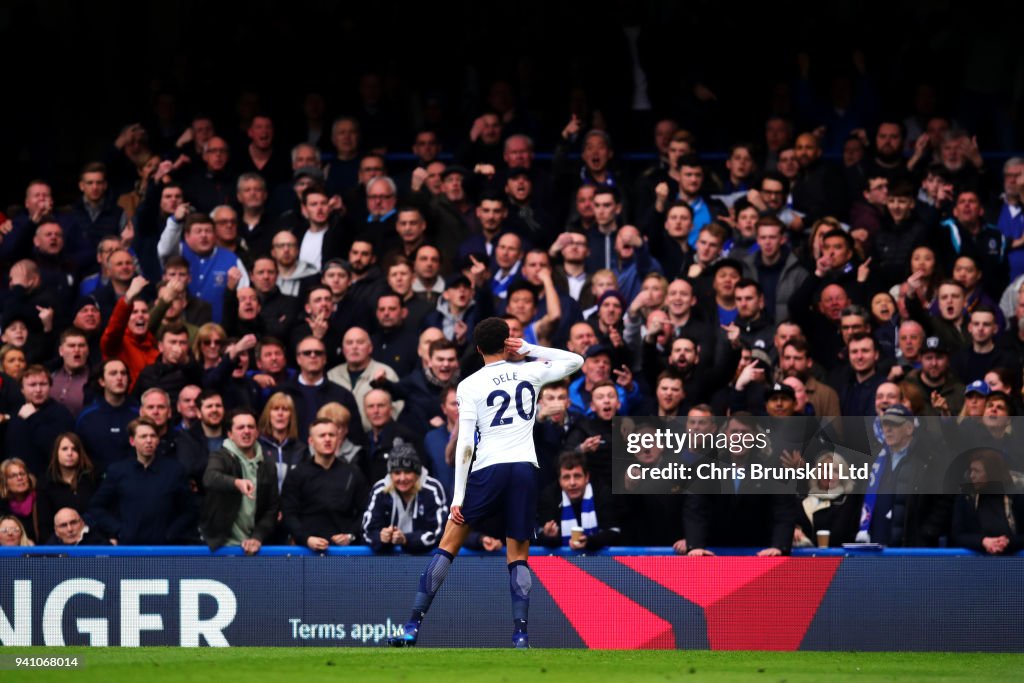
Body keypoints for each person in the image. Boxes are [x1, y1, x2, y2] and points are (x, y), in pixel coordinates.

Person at [389, 316, 583, 648]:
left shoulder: (469, 385)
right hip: (523, 468)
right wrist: (528, 348)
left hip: (489, 467)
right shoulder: (530, 371)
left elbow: (465, 444)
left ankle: (412, 626)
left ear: (477, 349)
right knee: (518, 555)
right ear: (507, 341)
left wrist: (458, 496)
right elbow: (575, 360)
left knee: (448, 545)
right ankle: (520, 634)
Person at [87, 417, 197, 545]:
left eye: (153, 436)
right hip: (130, 548)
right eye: (143, 436)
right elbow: (96, 507)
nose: (149, 440)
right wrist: (119, 530)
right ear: (132, 441)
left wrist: (171, 533)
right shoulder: (118, 471)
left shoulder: (174, 471)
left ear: (158, 440)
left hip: (164, 549)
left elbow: (190, 510)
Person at [280, 417, 369, 550]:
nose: (327, 439)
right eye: (322, 435)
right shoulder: (297, 475)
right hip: (306, 552)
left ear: (338, 440)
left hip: (344, 552)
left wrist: (350, 535)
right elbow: (289, 514)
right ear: (311, 441)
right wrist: (306, 539)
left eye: (331, 435)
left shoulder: (353, 473)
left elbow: (365, 511)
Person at [201, 410, 280, 553]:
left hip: (255, 546)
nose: (246, 431)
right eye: (240, 427)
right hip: (221, 546)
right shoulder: (220, 456)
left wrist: (257, 537)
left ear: (257, 432)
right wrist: (236, 483)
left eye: (251, 427)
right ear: (230, 434)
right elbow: (210, 477)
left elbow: (272, 509)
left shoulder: (268, 466)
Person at [362, 444, 447, 553]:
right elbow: (366, 532)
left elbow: (440, 532)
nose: (402, 478)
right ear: (390, 474)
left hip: (426, 560)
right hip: (388, 563)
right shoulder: (380, 491)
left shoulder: (432, 489)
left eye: (407, 472)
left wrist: (406, 539)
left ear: (417, 473)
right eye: (397, 473)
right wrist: (381, 537)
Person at [535, 451, 620, 550]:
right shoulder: (549, 496)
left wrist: (589, 542)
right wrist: (550, 536)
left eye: (577, 476)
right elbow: (541, 538)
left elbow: (614, 532)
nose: (572, 483)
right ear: (559, 480)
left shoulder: (602, 493)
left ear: (587, 477)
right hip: (560, 563)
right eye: (566, 477)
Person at [950, 448, 1024, 554]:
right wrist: (983, 541)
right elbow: (958, 535)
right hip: (975, 564)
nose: (972, 476)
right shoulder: (966, 498)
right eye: (971, 471)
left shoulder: (1017, 497)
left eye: (977, 471)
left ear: (991, 473)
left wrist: (1006, 542)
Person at [35, 433, 99, 542]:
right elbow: (44, 523)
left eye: (74, 449)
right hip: (59, 544)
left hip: (93, 540)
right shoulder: (46, 483)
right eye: (64, 449)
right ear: (56, 453)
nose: (70, 453)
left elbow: (100, 513)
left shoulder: (92, 478)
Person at [1, 458, 40, 543]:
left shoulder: (41, 500)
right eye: (13, 476)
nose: (19, 478)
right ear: (5, 482)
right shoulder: (2, 507)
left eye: (22, 474)